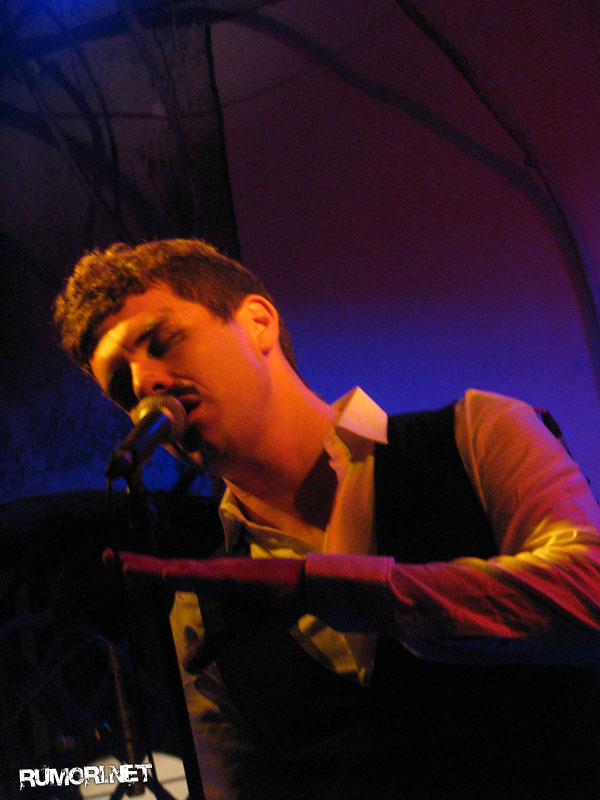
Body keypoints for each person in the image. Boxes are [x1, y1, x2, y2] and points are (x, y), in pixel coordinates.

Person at [54, 238, 600, 799]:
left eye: (162, 341)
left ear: (259, 323)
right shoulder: (198, 614)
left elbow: (590, 596)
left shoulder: (478, 433)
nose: (143, 385)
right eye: (122, 387)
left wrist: (324, 589)